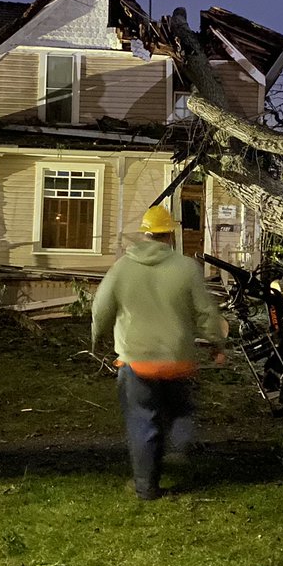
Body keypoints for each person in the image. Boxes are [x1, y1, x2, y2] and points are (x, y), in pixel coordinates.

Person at [91, 204, 226, 500]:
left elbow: (101, 309)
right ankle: (179, 444)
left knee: (142, 421)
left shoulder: (122, 268)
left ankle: (146, 487)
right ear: (170, 234)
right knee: (180, 410)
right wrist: (216, 343)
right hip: (177, 360)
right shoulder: (186, 268)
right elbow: (205, 312)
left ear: (146, 232)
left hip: (136, 362)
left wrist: (97, 337)